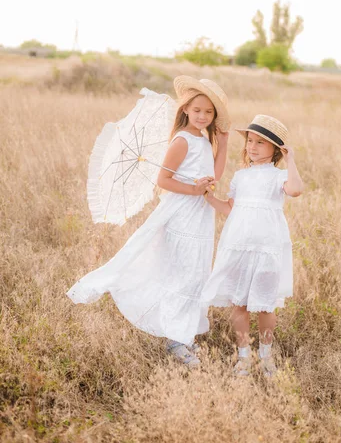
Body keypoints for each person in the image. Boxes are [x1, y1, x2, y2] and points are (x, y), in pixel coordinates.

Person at [67, 77, 230, 368]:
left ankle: (183, 332)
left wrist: (224, 142)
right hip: (182, 213)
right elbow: (163, 180)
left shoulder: (204, 139)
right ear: (186, 111)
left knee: (197, 271)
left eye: (208, 112)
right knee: (185, 271)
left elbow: (215, 176)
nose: (203, 116)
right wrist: (193, 188)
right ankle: (176, 339)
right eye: (197, 110)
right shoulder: (182, 140)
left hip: (200, 215)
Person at [201, 114, 303, 376]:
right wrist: (208, 196)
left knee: (265, 304)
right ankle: (244, 355)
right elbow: (230, 208)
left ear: (275, 150)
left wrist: (291, 160)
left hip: (267, 245)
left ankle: (266, 355)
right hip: (239, 244)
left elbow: (295, 190)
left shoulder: (277, 176)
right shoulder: (241, 177)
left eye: (260, 143)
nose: (252, 146)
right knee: (240, 303)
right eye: (250, 141)